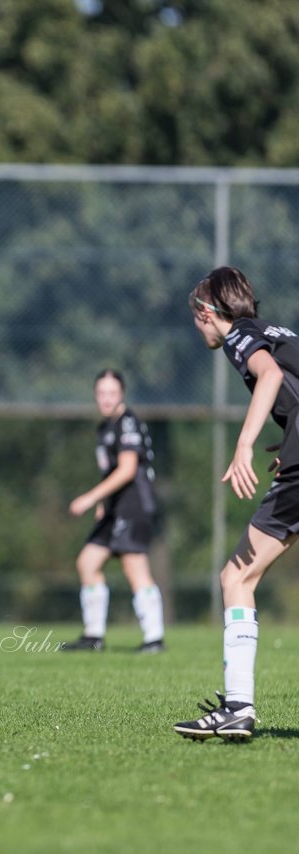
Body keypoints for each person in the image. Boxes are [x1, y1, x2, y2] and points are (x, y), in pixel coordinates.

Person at [174, 265, 298, 741]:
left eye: (196, 318)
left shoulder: (240, 337)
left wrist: (245, 443)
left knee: (236, 577)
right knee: (240, 576)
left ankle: (238, 708)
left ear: (207, 312)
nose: (197, 327)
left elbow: (267, 376)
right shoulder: (276, 329)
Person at [61, 369, 166, 653]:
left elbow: (128, 469)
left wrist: (89, 497)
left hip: (134, 505)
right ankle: (93, 637)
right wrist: (102, 503)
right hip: (114, 507)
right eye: (101, 393)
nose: (106, 399)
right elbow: (111, 472)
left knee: (135, 568)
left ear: (122, 394)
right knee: (88, 562)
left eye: (112, 393)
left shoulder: (127, 423)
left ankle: (154, 639)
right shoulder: (105, 428)